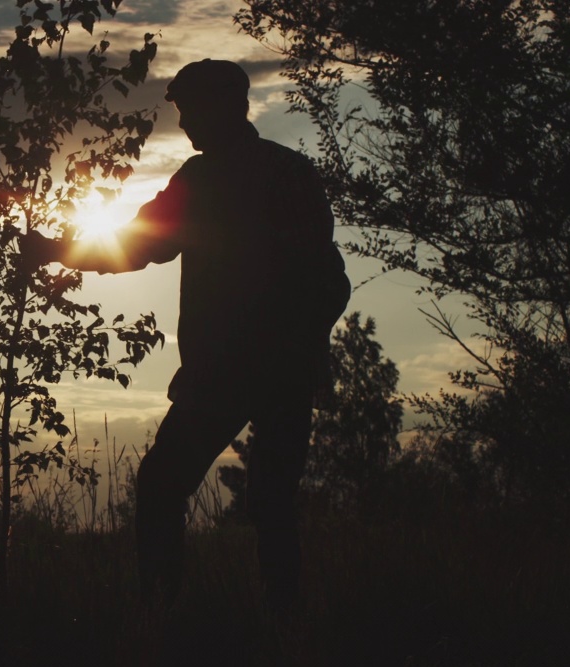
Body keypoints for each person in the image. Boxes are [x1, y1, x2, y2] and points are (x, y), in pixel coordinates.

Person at [22, 59, 351, 608]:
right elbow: (330, 278)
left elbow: (139, 245)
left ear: (225, 107)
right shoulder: (286, 171)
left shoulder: (208, 179)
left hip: (228, 373)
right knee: (269, 505)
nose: (184, 124)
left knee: (165, 489)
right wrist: (302, 348)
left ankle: (164, 619)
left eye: (189, 109)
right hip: (275, 373)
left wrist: (56, 252)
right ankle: (281, 631)